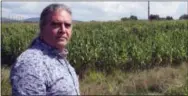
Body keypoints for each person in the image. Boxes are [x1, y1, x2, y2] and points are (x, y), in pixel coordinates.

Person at [10, 3, 80, 95]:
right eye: (55, 24)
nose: (63, 30)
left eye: (67, 25)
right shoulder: (31, 63)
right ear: (42, 27)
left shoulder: (59, 57)